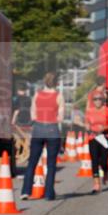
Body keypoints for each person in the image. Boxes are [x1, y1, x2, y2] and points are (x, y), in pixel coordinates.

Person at [21, 72, 63, 201]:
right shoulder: (58, 96)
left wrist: (37, 119)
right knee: (51, 164)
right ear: (56, 83)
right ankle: (49, 193)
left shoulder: (37, 94)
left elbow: (32, 113)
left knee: (32, 162)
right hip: (52, 130)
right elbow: (60, 117)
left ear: (44, 82)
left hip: (38, 129)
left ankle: (26, 191)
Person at [85, 94, 108, 193]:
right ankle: (96, 184)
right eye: (95, 99)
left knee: (103, 161)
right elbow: (87, 123)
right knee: (94, 160)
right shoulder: (89, 111)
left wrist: (104, 128)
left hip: (105, 138)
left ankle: (105, 171)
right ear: (93, 101)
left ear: (103, 100)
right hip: (93, 138)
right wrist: (87, 126)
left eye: (100, 99)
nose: (97, 101)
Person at [11, 81, 32, 175]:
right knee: (27, 139)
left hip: (19, 121)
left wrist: (12, 121)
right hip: (28, 121)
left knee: (18, 140)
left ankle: (19, 157)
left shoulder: (16, 99)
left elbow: (16, 111)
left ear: (18, 90)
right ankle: (26, 156)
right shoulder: (29, 99)